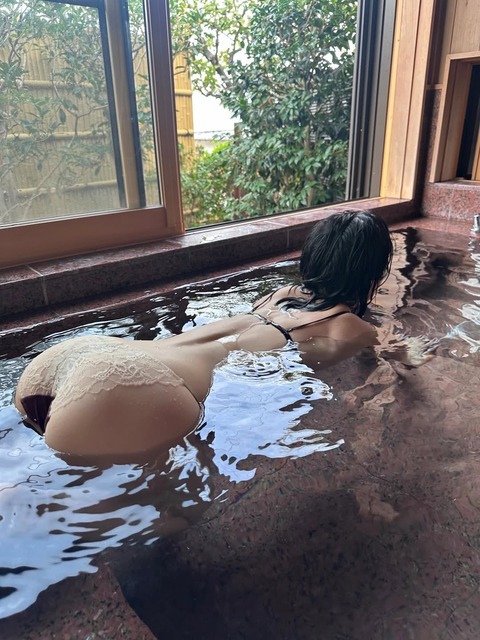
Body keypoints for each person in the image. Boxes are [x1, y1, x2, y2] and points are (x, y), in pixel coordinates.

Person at [14, 210, 393, 459]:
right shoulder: (352, 327)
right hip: (132, 386)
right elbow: (393, 361)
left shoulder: (279, 296)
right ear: (374, 275)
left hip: (80, 355)